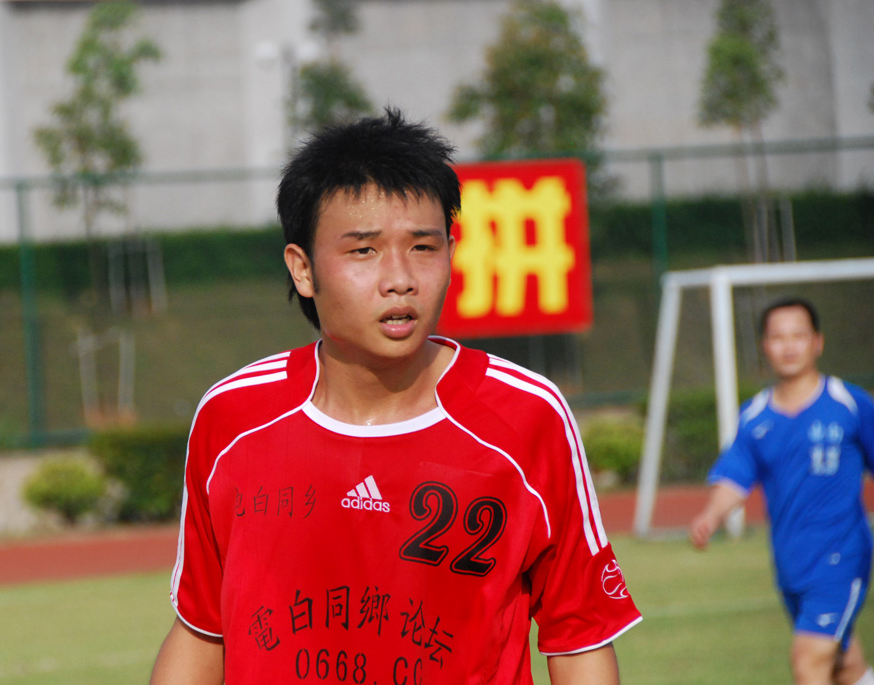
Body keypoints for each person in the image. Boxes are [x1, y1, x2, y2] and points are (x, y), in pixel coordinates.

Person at [151, 108, 641, 684]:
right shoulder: (234, 416)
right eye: (364, 251)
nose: (401, 279)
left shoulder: (527, 415)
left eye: (423, 248)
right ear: (303, 269)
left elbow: (579, 634)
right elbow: (201, 628)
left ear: (451, 254)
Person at [690, 297, 874, 685]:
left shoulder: (849, 404)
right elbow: (734, 479)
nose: (788, 346)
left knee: (808, 662)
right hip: (790, 565)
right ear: (764, 346)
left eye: (798, 336)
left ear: (817, 342)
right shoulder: (755, 417)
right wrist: (711, 516)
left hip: (841, 558)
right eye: (778, 337)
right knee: (845, 666)